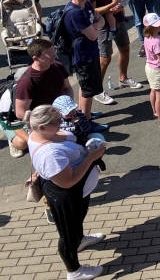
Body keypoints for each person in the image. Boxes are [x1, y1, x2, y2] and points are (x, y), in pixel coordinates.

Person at [26, 105, 107, 280]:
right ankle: (74, 271)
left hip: (77, 192)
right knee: (67, 235)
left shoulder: (41, 134)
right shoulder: (50, 154)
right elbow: (68, 181)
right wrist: (91, 157)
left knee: (78, 218)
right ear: (42, 127)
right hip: (64, 195)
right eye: (57, 122)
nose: (61, 123)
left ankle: (80, 239)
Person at [63, 0, 108, 119]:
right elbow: (94, 35)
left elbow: (101, 19)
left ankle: (84, 113)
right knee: (88, 90)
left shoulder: (86, 4)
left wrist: (95, 25)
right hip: (83, 55)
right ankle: (87, 120)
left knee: (86, 87)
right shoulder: (74, 13)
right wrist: (96, 25)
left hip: (91, 51)